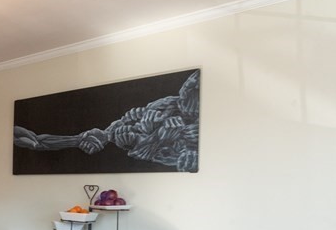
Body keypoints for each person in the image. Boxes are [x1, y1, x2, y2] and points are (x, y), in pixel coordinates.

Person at [14, 70, 199, 172]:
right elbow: (133, 117)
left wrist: (156, 137)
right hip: (129, 136)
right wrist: (105, 133)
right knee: (37, 142)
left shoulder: (186, 144)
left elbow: (143, 153)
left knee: (37, 142)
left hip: (155, 142)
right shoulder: (167, 105)